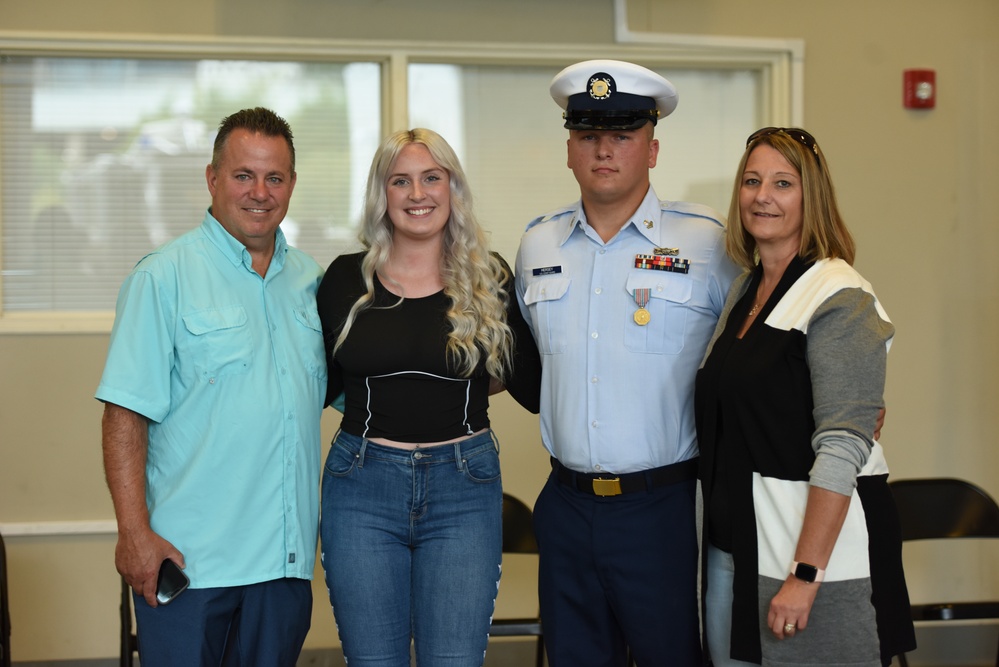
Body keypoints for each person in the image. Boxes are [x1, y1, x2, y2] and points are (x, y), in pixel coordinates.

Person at [514, 59, 742, 666]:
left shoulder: (708, 244)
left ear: (653, 148)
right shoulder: (538, 244)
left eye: (623, 135)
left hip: (662, 508)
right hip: (565, 505)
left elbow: (763, 344)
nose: (604, 151)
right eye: (589, 136)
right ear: (570, 149)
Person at [96, 107, 325, 666]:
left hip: (284, 566)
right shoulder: (162, 276)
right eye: (243, 175)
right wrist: (133, 533)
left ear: (292, 184)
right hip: (191, 566)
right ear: (212, 178)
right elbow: (124, 415)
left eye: (274, 177)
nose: (259, 192)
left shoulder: (312, 283)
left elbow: (363, 394)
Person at [316, 128, 541, 667]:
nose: (417, 194)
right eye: (401, 181)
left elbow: (521, 378)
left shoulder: (490, 278)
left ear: (452, 189)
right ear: (382, 194)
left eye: (431, 178)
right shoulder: (346, 279)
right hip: (361, 485)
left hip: (463, 487)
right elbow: (323, 383)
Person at [694, 127, 916, 666]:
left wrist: (805, 575)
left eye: (782, 183)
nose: (762, 196)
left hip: (811, 558)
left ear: (810, 196)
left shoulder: (840, 295)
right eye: (751, 181)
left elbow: (842, 444)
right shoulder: (746, 291)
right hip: (736, 545)